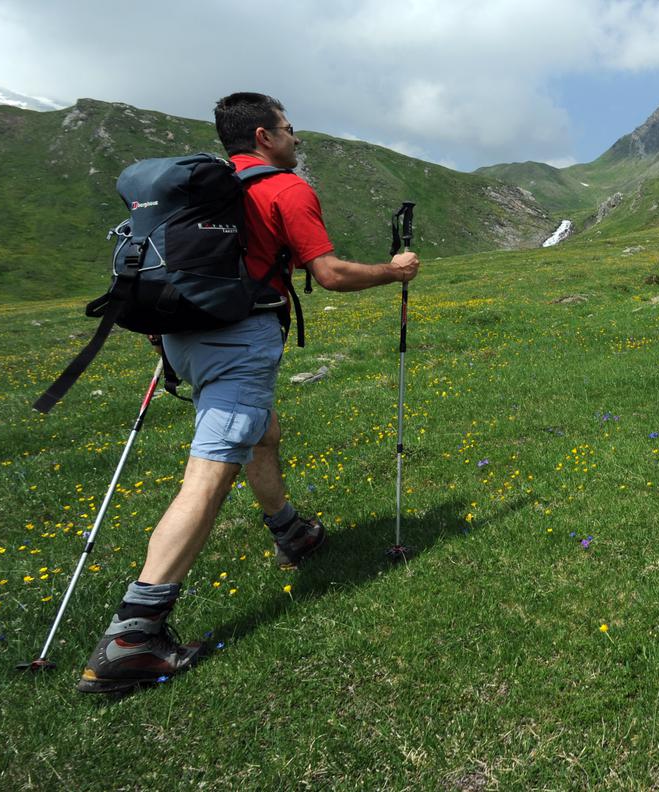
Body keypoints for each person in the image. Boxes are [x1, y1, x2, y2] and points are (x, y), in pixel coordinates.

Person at [76, 93, 421, 694]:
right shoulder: (285, 189)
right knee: (211, 471)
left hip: (184, 334)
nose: (296, 139)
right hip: (237, 338)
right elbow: (331, 275)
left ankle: (291, 531)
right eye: (289, 129)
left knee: (262, 429)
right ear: (264, 135)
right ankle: (134, 634)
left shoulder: (205, 190)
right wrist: (396, 270)